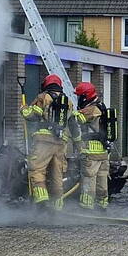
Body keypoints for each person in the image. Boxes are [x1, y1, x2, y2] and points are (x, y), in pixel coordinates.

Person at [20, 74, 71, 209]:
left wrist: (23, 109)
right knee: (57, 175)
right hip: (61, 142)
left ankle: (41, 202)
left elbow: (32, 116)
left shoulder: (43, 97)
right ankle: (57, 206)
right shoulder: (68, 101)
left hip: (44, 141)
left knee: (37, 169)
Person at [73, 82, 110, 211]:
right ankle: (102, 204)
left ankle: (87, 205)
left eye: (79, 96)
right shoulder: (101, 106)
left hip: (91, 151)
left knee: (89, 178)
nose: (78, 99)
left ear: (85, 96)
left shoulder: (91, 109)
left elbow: (78, 119)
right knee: (102, 179)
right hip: (103, 151)